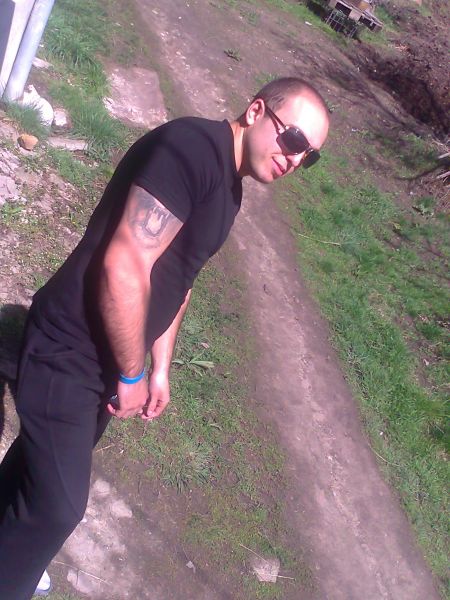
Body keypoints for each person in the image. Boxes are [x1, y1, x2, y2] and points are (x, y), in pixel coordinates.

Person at [0, 77, 329, 599]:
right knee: (57, 506)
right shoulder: (191, 150)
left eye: (309, 156)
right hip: (70, 345)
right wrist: (131, 374)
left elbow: (179, 280)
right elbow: (125, 264)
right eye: (293, 140)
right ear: (256, 111)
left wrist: (159, 369)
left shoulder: (231, 190)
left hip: (106, 361)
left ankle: (15, 551)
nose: (296, 159)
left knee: (34, 474)